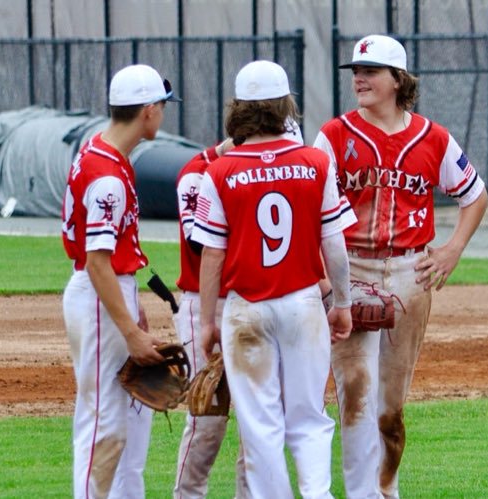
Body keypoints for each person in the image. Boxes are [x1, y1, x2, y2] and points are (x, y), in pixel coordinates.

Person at [314, 34, 488, 498]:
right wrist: (327, 280)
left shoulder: (434, 138)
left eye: (370, 71)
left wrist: (452, 249)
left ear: (398, 80)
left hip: (410, 274)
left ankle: (387, 488)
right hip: (350, 267)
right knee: (354, 388)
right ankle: (361, 493)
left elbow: (475, 195)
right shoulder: (334, 135)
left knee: (390, 407)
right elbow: (311, 210)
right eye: (356, 71)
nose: (359, 78)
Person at [190, 60, 357, 499]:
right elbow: (334, 244)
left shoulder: (219, 171)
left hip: (246, 309)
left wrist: (206, 320)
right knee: (309, 416)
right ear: (286, 106)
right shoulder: (316, 162)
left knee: (259, 424)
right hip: (302, 302)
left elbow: (212, 253)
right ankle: (317, 495)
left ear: (239, 108)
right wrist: (342, 303)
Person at [171, 96, 305, 499]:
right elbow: (202, 246)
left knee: (260, 423)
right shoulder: (197, 174)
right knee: (208, 418)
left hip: (259, 306)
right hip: (206, 303)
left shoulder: (283, 171)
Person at [60, 63, 179, 499]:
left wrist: (132, 306)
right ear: (147, 111)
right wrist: (129, 330)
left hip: (108, 293)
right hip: (98, 296)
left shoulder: (100, 149)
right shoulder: (108, 177)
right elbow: (97, 263)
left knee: (123, 420)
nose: (163, 113)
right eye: (162, 106)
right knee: (104, 424)